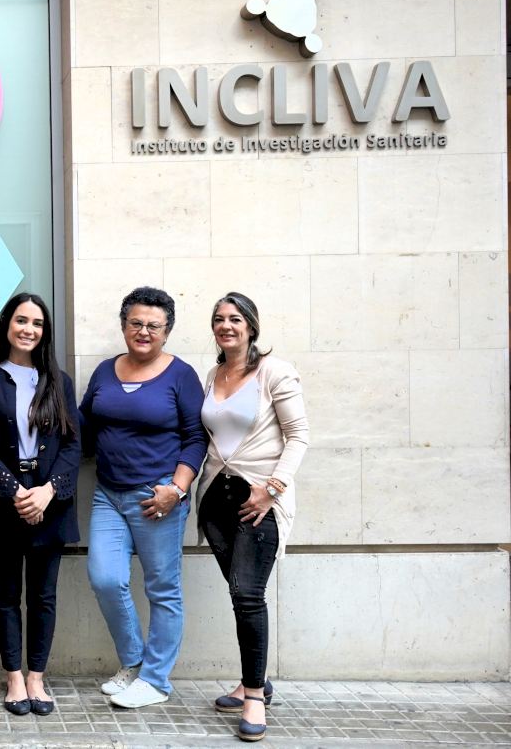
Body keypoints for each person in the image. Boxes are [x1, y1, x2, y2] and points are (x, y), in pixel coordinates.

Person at [81, 286, 207, 709]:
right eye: (136, 323)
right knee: (105, 578)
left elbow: (196, 438)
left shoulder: (181, 376)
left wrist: (177, 489)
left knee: (163, 590)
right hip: (108, 494)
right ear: (123, 326)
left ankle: (155, 680)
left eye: (154, 325)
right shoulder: (105, 371)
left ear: (167, 331)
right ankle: (135, 662)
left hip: (157, 499)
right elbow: (84, 424)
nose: (144, 331)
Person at [196, 293, 308, 742]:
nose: (226, 325)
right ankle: (251, 680)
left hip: (258, 497)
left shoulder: (275, 372)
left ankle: (255, 697)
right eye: (219, 319)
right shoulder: (213, 375)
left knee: (247, 595)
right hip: (216, 500)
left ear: (251, 326)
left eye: (235, 318)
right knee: (239, 593)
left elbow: (299, 436)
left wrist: (272, 488)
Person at [0, 293, 80, 716]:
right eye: (21, 320)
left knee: (44, 596)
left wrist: (49, 490)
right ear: (7, 325)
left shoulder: (59, 381)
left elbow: (73, 444)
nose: (28, 329)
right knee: (6, 594)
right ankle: (13, 677)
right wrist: (14, 490)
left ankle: (36, 678)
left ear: (44, 332)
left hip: (49, 498)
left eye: (37, 323)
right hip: (3, 500)